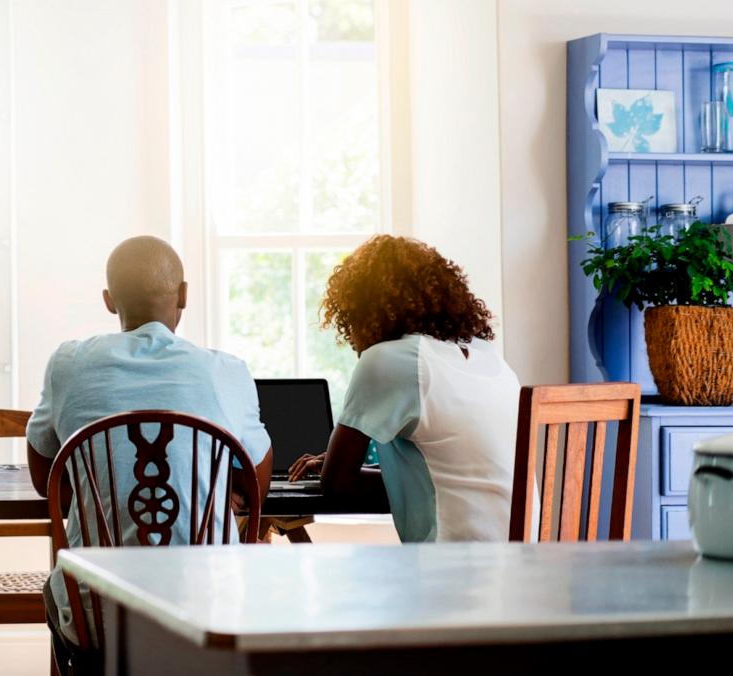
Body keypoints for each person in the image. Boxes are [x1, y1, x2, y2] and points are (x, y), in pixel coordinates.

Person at [25, 236, 272, 669]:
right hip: (209, 611)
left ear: (108, 300)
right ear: (184, 295)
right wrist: (215, 492)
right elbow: (256, 480)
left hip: (97, 619)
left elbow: (44, 474)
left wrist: (95, 500)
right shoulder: (225, 371)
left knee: (56, 590)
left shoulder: (68, 364)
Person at [288, 235, 522, 543]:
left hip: (452, 574)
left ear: (363, 309)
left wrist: (332, 464)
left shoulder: (392, 360)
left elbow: (337, 484)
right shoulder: (490, 358)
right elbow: (452, 475)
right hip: (523, 567)